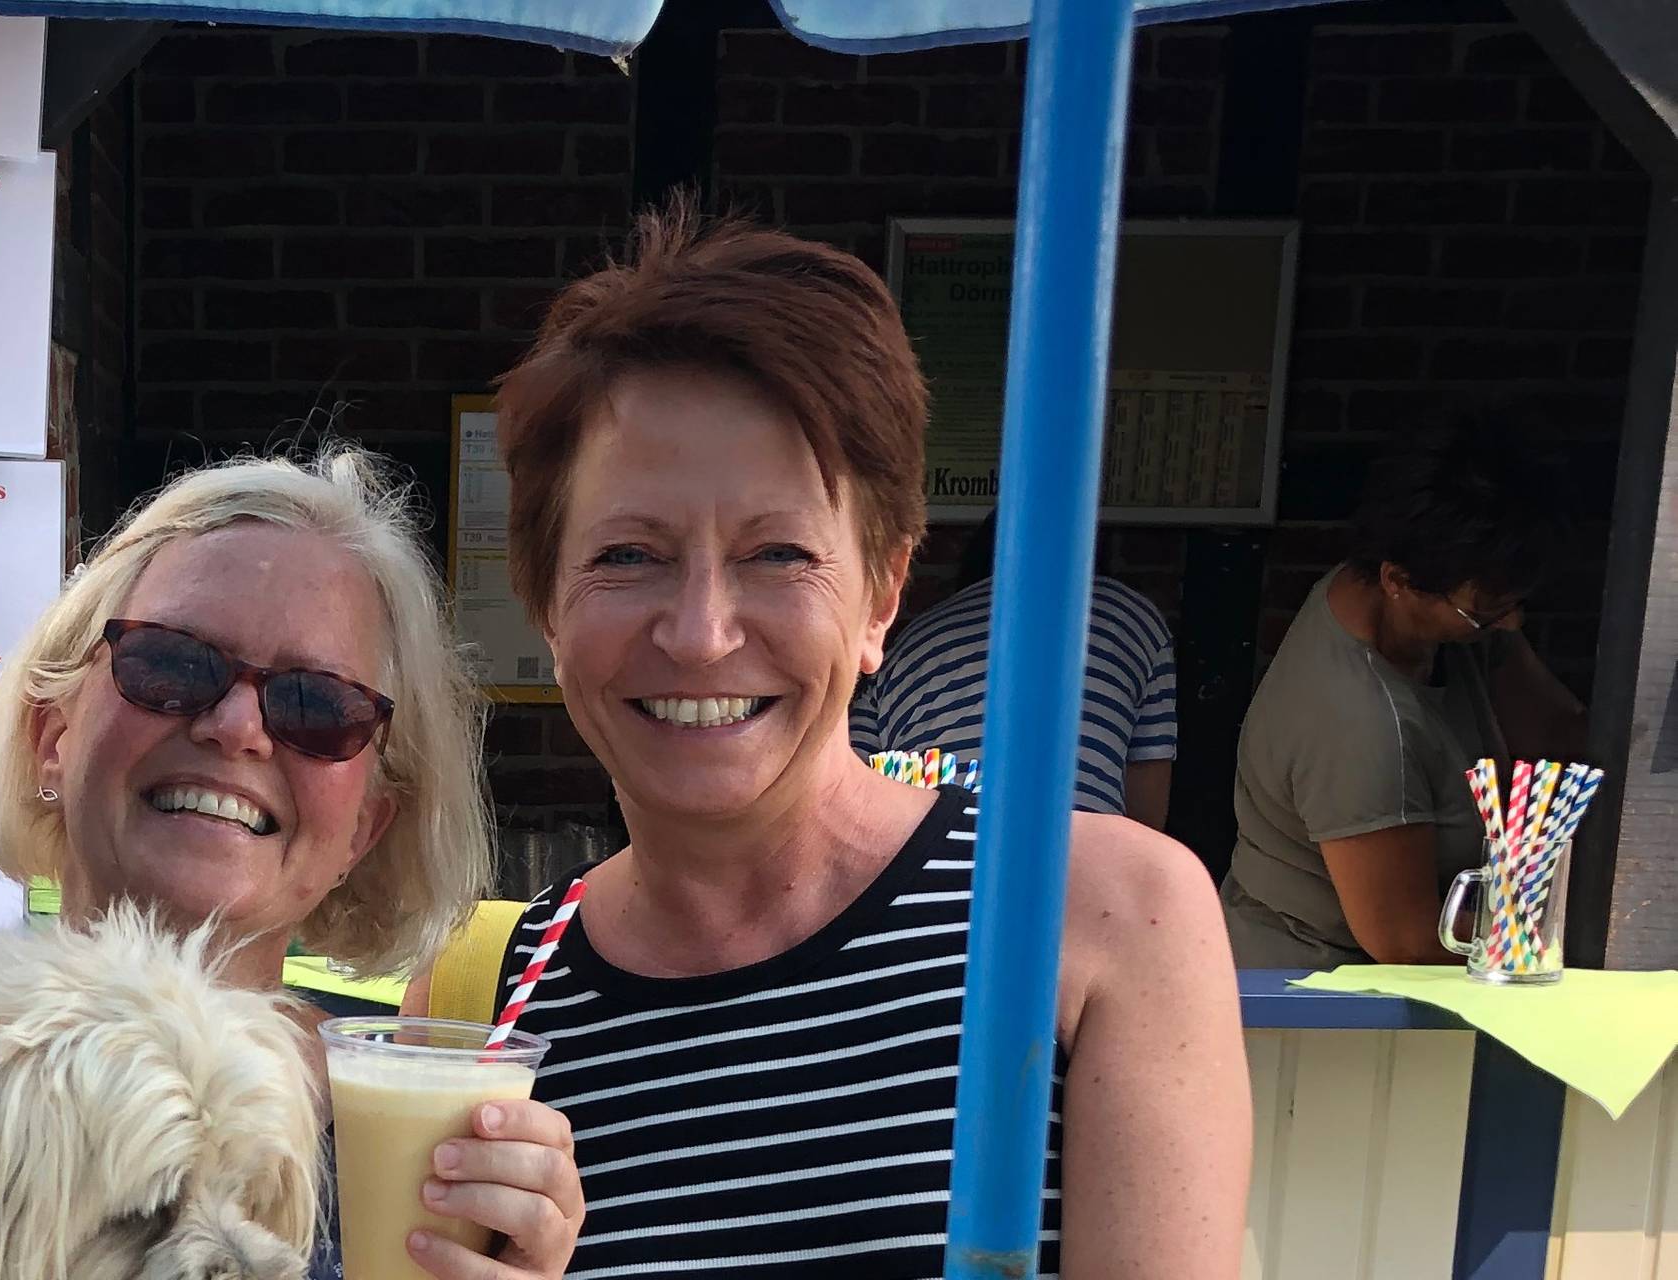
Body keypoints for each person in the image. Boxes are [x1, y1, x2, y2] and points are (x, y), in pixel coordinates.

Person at [405, 206, 1249, 1277]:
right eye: (628, 553)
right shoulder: (482, 998)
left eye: (777, 553)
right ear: (543, 599)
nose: (702, 633)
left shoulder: (1098, 917)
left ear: (881, 596)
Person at [0, 449, 588, 1280]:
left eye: (318, 706)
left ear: (367, 827)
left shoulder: (432, 1152)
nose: (238, 727)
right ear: (51, 736)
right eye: (171, 664)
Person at [1222, 418, 1583, 968]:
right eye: (1485, 613)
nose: (1511, 625)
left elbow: (1561, 738)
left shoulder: (1401, 598)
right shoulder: (1358, 727)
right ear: (1397, 580)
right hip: (1319, 995)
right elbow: (1408, 940)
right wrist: (1556, 934)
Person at [852, 510, 1180, 829]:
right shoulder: (1134, 619)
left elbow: (856, 784)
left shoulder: (906, 643)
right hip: (1081, 855)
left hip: (927, 855)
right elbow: (1146, 814)